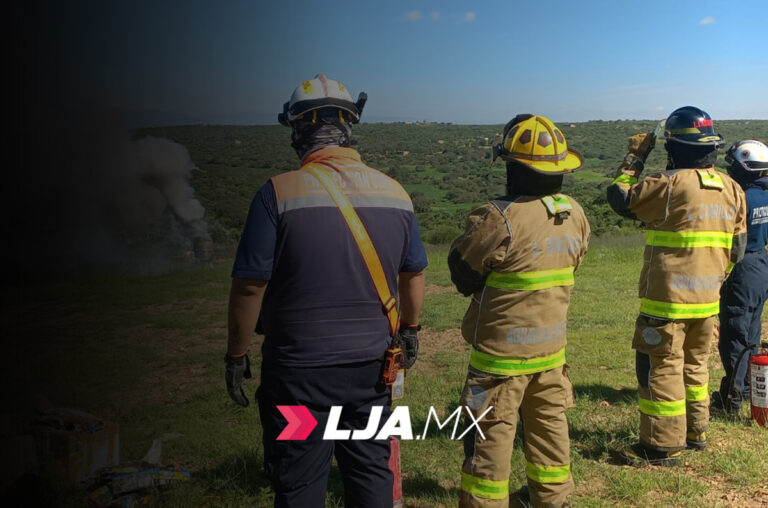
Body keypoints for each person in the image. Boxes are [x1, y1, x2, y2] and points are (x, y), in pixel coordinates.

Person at [225, 73, 427, 507]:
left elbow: (248, 288)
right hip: (372, 372)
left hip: (299, 377)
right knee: (372, 472)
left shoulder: (276, 194)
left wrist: (236, 354)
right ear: (349, 126)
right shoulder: (396, 193)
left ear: (298, 129)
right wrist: (410, 329)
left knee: (298, 481)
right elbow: (412, 275)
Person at [449, 115, 590, 508]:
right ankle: (554, 501)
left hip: (499, 362)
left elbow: (462, 273)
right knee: (550, 437)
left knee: (488, 446)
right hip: (551, 356)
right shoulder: (575, 215)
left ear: (513, 167)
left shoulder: (499, 218)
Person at [606, 106, 747, 465]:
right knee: (696, 367)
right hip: (707, 300)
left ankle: (661, 445)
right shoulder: (733, 189)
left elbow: (619, 197)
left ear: (673, 148)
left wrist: (634, 157)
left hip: (667, 302)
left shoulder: (667, 184)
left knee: (660, 367)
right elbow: (738, 249)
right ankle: (696, 432)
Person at [712, 139, 768, 414]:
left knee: (734, 333)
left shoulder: (740, 197)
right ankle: (749, 389)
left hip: (742, 267)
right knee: (752, 331)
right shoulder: (765, 195)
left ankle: (732, 399)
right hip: (762, 265)